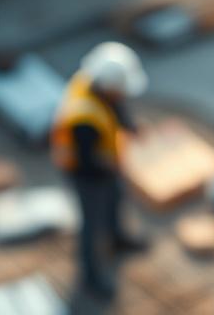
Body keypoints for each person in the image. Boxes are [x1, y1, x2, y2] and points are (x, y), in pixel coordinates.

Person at [51, 41, 148, 299]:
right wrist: (111, 164)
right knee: (91, 226)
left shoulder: (94, 83)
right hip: (87, 176)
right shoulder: (83, 117)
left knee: (115, 200)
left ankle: (117, 239)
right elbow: (86, 161)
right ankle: (91, 277)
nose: (123, 96)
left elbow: (115, 105)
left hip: (106, 166)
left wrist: (129, 126)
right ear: (109, 87)